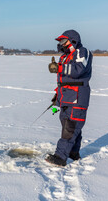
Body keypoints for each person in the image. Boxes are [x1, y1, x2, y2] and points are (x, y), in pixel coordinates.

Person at [45, 29, 93, 166]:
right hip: (66, 97)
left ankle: (60, 157)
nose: (61, 44)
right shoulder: (64, 57)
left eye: (63, 41)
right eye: (60, 41)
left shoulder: (82, 52)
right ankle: (73, 152)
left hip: (78, 97)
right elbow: (63, 80)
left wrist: (59, 68)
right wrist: (57, 96)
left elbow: (78, 70)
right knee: (67, 124)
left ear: (72, 41)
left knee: (71, 127)